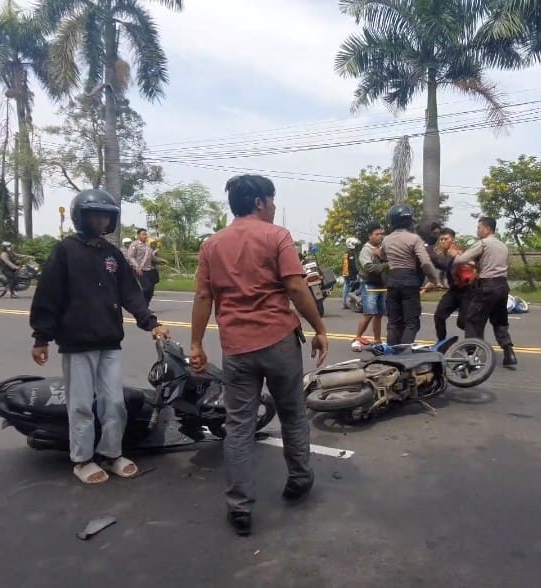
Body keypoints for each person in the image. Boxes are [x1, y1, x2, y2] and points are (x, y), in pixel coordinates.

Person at [189, 174, 328, 537]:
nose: (275, 206)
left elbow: (204, 298)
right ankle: (299, 479)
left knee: (238, 427)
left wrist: (196, 344)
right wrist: (319, 328)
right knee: (293, 414)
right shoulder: (277, 236)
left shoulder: (212, 245)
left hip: (236, 348)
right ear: (259, 203)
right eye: (272, 199)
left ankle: (240, 507)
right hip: (280, 341)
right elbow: (296, 286)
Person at [29, 189, 170, 486]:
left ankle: (111, 453)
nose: (102, 219)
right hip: (77, 343)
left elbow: (130, 293)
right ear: (81, 216)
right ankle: (81, 459)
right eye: (96, 214)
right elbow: (48, 295)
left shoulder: (111, 254)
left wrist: (151, 322)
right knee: (81, 405)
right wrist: (41, 338)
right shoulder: (65, 251)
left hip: (109, 341)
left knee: (114, 403)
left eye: (106, 214)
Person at [456, 217, 517, 367]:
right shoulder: (503, 246)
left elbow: (461, 259)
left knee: (473, 320)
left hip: (487, 286)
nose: (477, 231)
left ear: (487, 229)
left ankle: (472, 357)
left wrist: (453, 255)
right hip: (502, 286)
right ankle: (509, 353)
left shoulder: (483, 243)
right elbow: (491, 264)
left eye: (479, 228)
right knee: (500, 321)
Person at [381, 205, 441, 345]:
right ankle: (404, 354)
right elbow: (425, 262)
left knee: (394, 322)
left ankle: (392, 354)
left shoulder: (386, 240)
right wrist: (435, 280)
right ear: (409, 221)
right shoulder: (414, 239)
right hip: (409, 282)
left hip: (392, 282)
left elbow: (382, 255)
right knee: (411, 322)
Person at [429, 228, 476, 343]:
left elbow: (445, 264)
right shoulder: (445, 254)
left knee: (463, 322)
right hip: (454, 290)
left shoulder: (456, 252)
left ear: (452, 240)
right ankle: (441, 342)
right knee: (439, 315)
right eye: (441, 239)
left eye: (446, 239)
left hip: (467, 291)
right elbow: (444, 268)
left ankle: (474, 343)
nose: (442, 241)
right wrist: (438, 282)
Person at [351, 223, 389, 351]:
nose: (380, 237)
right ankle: (357, 339)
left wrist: (382, 256)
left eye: (381, 234)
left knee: (378, 313)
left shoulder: (381, 247)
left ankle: (377, 340)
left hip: (382, 284)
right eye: (377, 234)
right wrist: (387, 264)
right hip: (369, 284)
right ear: (370, 236)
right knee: (369, 313)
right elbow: (370, 268)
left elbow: (388, 259)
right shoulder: (366, 250)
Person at [127, 228, 163, 306]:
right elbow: (131, 257)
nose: (145, 236)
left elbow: (151, 257)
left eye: (146, 234)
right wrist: (137, 267)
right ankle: (141, 304)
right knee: (147, 288)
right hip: (139, 270)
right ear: (138, 235)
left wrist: (160, 260)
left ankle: (145, 306)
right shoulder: (134, 244)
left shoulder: (147, 245)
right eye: (143, 234)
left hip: (149, 269)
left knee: (151, 290)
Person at [341, 237, 361, 310]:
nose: (356, 246)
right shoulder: (350, 254)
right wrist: (358, 272)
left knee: (346, 288)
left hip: (346, 273)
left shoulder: (346, 253)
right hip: (350, 274)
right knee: (350, 289)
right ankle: (348, 303)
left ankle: (344, 303)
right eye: (354, 244)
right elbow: (352, 265)